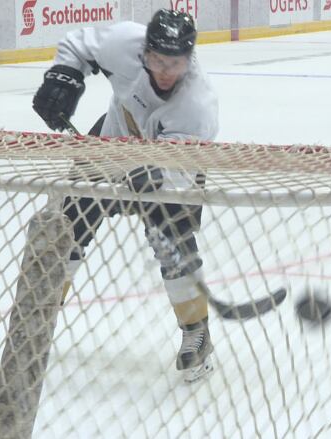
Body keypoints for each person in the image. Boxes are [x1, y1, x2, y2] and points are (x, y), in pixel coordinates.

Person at [33, 9, 219, 381]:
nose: (166, 71)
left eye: (176, 63)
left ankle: (196, 332)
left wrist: (156, 174)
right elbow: (78, 44)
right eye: (157, 60)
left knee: (170, 242)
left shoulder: (196, 108)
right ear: (144, 53)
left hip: (169, 162)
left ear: (190, 59)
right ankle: (38, 320)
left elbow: (182, 175)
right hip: (110, 143)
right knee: (67, 227)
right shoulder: (124, 43)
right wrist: (64, 75)